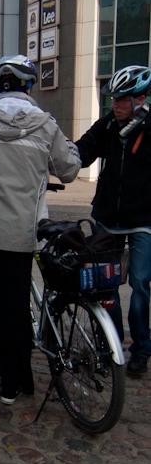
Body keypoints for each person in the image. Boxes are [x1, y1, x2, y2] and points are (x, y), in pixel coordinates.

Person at [0, 55, 81, 405]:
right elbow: (69, 170)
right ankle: (12, 385)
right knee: (14, 308)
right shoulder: (46, 124)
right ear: (29, 86)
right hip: (20, 232)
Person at [76, 64, 151, 374]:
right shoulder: (107, 125)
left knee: (140, 283)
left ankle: (141, 349)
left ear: (139, 99)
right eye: (113, 99)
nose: (115, 105)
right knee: (105, 285)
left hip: (144, 219)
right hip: (108, 218)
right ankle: (111, 345)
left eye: (121, 99)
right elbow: (83, 151)